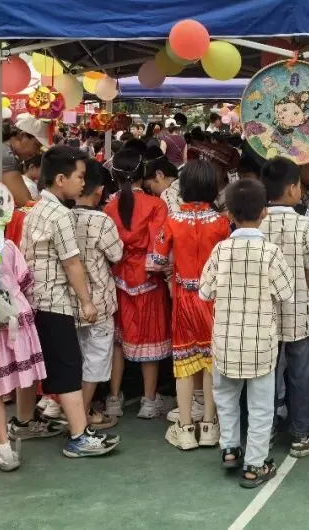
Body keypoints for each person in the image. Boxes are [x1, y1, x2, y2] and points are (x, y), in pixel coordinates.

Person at [20, 144, 118, 458]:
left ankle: (23, 421)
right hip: (56, 301)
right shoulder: (61, 215)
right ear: (61, 179)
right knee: (68, 368)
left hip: (35, 298)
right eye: (78, 176)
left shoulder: (35, 210)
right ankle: (78, 436)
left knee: (34, 365)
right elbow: (72, 263)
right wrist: (87, 302)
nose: (82, 182)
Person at [200, 179, 295, 486]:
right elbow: (286, 293)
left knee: (226, 398)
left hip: (225, 341)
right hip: (259, 344)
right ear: (264, 212)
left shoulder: (220, 251)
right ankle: (254, 464)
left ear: (229, 215)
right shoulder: (271, 252)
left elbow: (204, 292)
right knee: (260, 406)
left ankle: (229, 448)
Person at [149, 160, 231, 451]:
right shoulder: (223, 223)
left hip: (183, 297)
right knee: (212, 362)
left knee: (183, 364)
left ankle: (184, 428)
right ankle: (209, 425)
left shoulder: (171, 220)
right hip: (214, 299)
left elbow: (157, 262)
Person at [260, 157, 309, 458]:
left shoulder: (256, 220)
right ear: (291, 189)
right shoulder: (304, 222)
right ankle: (302, 435)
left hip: (264, 313)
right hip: (300, 311)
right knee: (301, 374)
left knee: (265, 374)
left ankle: (267, 430)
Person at [103, 148, 173, 420]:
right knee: (150, 341)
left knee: (119, 342)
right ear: (142, 174)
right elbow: (159, 245)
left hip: (119, 276)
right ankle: (149, 400)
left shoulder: (109, 207)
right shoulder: (156, 205)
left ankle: (112, 398)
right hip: (148, 278)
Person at [0, 240, 50, 472]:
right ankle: (25, 421)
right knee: (24, 375)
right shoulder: (6, 245)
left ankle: (5, 451)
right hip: (16, 314)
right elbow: (24, 280)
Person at [71, 159, 123, 430]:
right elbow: (116, 253)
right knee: (96, 358)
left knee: (77, 357)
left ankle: (75, 409)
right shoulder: (102, 221)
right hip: (99, 299)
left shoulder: (64, 216)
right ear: (99, 191)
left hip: (70, 299)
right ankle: (83, 413)